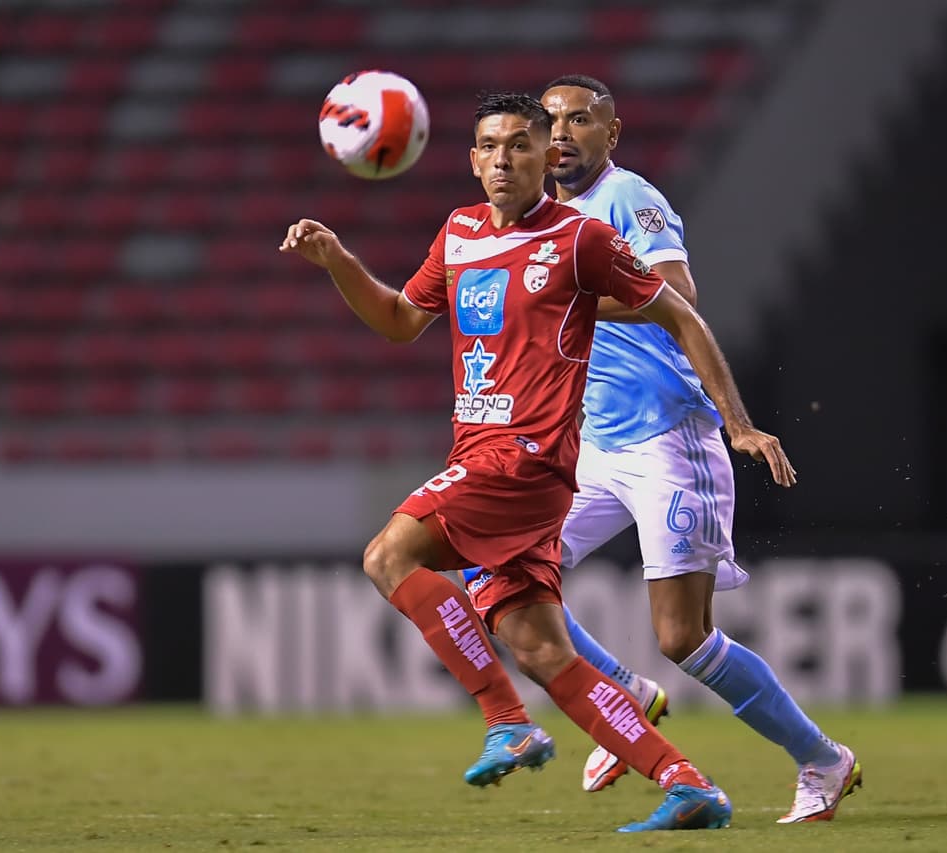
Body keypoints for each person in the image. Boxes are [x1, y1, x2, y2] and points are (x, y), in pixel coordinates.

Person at [281, 92, 795, 832]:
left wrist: (736, 423)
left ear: (544, 156)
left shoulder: (578, 239)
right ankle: (687, 784)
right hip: (484, 455)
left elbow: (680, 311)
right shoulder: (457, 232)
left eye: (520, 145)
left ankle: (504, 722)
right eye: (489, 146)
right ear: (470, 159)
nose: (502, 159)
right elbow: (399, 321)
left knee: (388, 553)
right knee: (541, 649)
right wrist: (336, 260)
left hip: (526, 459)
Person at [465, 74, 861, 824]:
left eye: (580, 121)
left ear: (609, 136)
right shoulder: (536, 219)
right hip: (588, 448)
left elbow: (678, 293)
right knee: (495, 568)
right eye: (549, 122)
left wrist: (736, 420)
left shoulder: (629, 199)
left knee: (683, 636)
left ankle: (822, 758)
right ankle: (622, 691)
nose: (561, 135)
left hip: (666, 440)